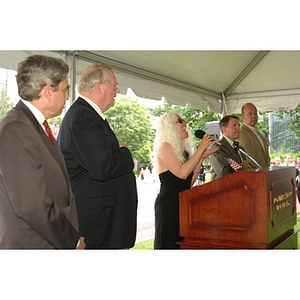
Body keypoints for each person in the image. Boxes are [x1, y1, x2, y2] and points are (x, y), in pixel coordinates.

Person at [0, 55, 84, 249]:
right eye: (65, 90)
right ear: (47, 91)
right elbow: (33, 205)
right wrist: (71, 241)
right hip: (33, 243)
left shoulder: (32, 125)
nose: (67, 97)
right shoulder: (17, 130)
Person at [58, 63, 138, 249]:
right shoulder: (83, 117)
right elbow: (103, 167)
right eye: (114, 85)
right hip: (99, 225)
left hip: (104, 220)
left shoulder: (87, 115)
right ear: (99, 87)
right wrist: (124, 153)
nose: (117, 91)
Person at [152, 112, 219, 249]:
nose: (185, 123)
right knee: (170, 244)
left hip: (182, 202)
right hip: (169, 205)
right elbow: (182, 173)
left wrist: (200, 158)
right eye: (180, 121)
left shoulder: (182, 151)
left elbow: (188, 182)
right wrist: (200, 150)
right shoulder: (165, 147)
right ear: (169, 127)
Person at [210, 115, 251, 180]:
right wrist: (243, 167)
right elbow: (223, 172)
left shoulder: (240, 148)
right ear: (224, 129)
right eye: (234, 126)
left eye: (238, 125)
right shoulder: (217, 148)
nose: (238, 128)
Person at [237, 102, 270, 169]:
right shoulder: (242, 134)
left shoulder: (258, 133)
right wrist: (259, 171)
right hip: (256, 174)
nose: (254, 116)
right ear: (243, 117)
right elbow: (248, 158)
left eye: (255, 113)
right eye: (250, 114)